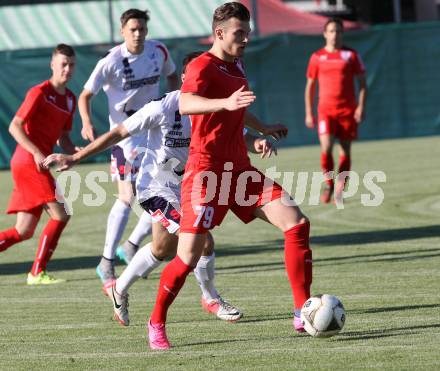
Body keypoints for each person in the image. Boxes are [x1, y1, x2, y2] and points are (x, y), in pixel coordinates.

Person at [44, 51, 277, 326]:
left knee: (161, 248)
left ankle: (119, 288)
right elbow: (119, 132)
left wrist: (257, 142)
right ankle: (211, 297)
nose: (201, 81)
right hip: (156, 188)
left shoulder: (215, 108)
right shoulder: (164, 106)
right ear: (183, 79)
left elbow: (238, 134)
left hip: (190, 187)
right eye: (194, 76)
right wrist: (75, 157)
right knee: (202, 240)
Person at [140, 2, 312, 350]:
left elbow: (236, 109)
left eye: (247, 32)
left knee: (297, 223)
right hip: (205, 173)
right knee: (187, 256)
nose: (246, 38)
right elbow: (187, 103)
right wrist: (225, 103)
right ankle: (156, 321)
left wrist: (261, 129)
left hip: (240, 172)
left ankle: (301, 311)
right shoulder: (202, 65)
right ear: (219, 33)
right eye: (239, 33)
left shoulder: (237, 64)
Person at [78, 8, 179, 285]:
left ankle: (131, 245)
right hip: (126, 138)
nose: (138, 34)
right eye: (132, 29)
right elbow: (85, 95)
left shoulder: (158, 51)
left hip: (155, 134)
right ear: (123, 31)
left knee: (165, 192)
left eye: (142, 29)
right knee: (127, 196)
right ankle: (107, 260)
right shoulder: (111, 61)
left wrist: (170, 105)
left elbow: (173, 77)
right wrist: (87, 122)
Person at [0, 44, 78, 285]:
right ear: (52, 65)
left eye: (71, 65)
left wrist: (74, 153)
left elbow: (62, 138)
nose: (67, 69)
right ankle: (37, 272)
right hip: (28, 160)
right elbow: (15, 125)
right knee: (61, 214)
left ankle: (37, 272)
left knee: (23, 231)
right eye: (63, 64)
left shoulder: (70, 99)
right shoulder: (39, 92)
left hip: (38, 162)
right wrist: (35, 152)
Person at [305, 17, 367, 203]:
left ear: (342, 33)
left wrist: (360, 107)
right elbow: (310, 86)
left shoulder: (351, 55)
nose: (334, 35)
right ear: (325, 34)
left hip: (347, 111)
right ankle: (329, 184)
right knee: (327, 147)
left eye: (338, 31)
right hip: (326, 110)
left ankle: (339, 190)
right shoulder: (317, 57)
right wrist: (309, 112)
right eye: (331, 31)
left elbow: (363, 84)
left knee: (345, 151)